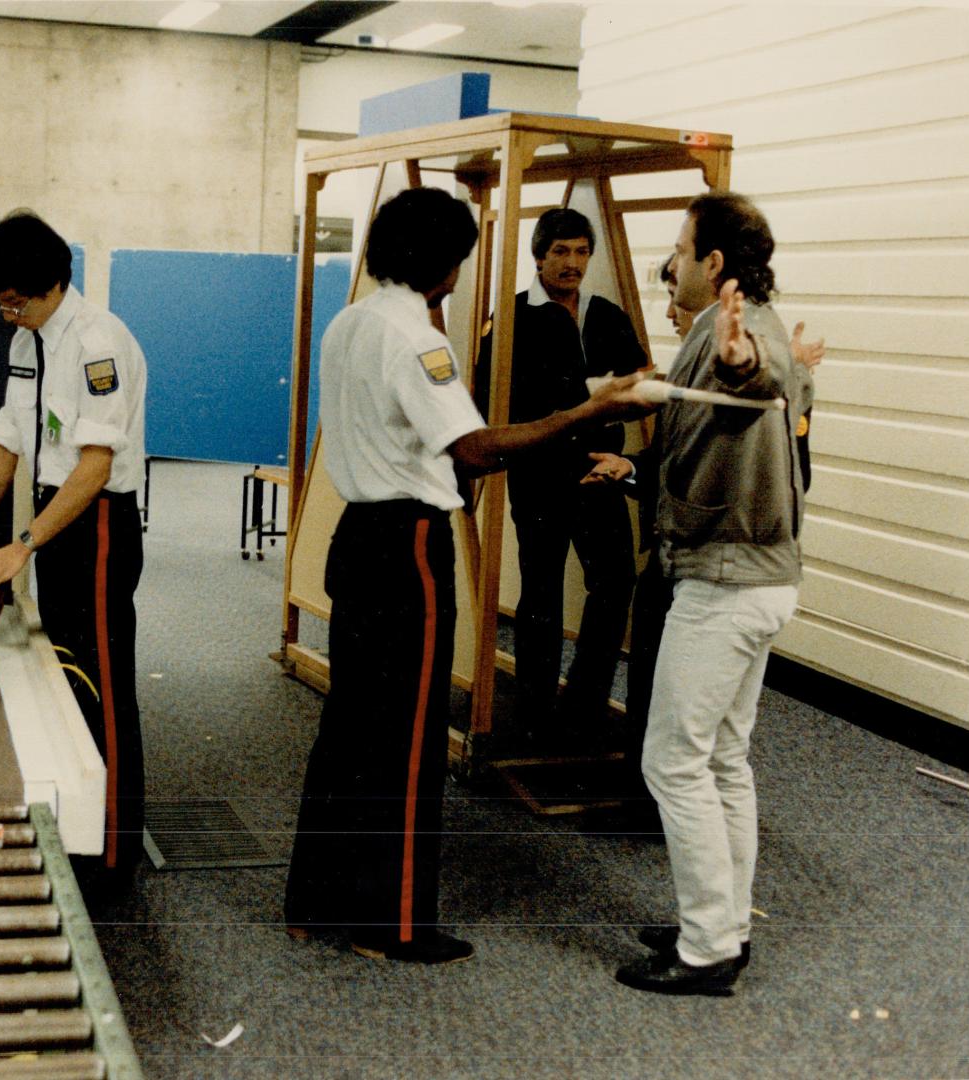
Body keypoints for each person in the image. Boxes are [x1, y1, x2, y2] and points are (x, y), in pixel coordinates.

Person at [283, 187, 655, 965]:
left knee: (349, 724)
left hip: (355, 540)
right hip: (406, 549)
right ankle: (392, 925)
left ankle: (316, 902)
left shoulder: (350, 321)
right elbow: (476, 448)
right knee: (408, 738)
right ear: (443, 263)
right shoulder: (417, 337)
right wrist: (589, 413)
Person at [600, 193, 812, 995]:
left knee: (673, 761)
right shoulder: (730, 326)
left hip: (726, 581)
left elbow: (749, 380)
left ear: (713, 263)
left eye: (681, 249)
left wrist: (736, 364)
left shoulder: (743, 334)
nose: (672, 262)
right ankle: (720, 926)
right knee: (722, 758)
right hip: (754, 578)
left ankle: (706, 951)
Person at [587, 256, 823, 829]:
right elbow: (682, 457)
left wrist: (780, 372)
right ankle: (706, 900)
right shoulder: (705, 358)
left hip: (710, 567)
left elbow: (743, 431)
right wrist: (633, 467)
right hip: (694, 559)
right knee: (709, 745)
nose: (669, 311)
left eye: (675, 295)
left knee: (689, 751)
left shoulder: (741, 364)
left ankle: (656, 814)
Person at [0, 211, 148, 884]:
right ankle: (79, 833)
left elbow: (93, 466)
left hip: (96, 525)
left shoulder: (97, 343)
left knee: (102, 685)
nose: (7, 315)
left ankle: (116, 853)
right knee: (65, 674)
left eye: (15, 303)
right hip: (54, 518)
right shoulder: (27, 338)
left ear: (53, 284)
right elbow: (8, 438)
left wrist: (23, 545)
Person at [506, 209, 650, 747]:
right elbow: (493, 397)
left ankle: (585, 699)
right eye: (561, 252)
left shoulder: (607, 315)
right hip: (539, 472)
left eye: (581, 252)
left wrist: (619, 406)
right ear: (539, 256)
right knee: (540, 589)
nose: (572, 263)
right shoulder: (513, 317)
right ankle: (535, 707)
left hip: (599, 470)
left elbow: (638, 387)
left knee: (615, 583)